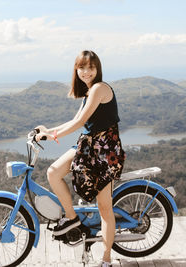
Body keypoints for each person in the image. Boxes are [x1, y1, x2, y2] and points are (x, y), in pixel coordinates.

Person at [35, 50, 125, 267]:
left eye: (91, 67)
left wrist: (53, 135)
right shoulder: (88, 92)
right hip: (87, 145)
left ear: (98, 69)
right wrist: (49, 130)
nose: (86, 72)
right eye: (82, 68)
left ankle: (106, 259)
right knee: (54, 172)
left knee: (104, 207)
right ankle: (72, 218)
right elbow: (75, 119)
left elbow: (80, 121)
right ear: (76, 69)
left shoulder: (100, 88)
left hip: (105, 151)